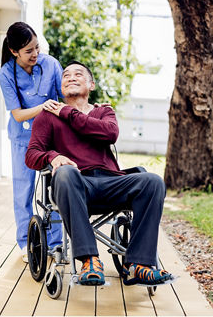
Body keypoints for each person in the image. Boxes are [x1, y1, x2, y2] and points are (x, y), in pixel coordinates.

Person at [25, 61, 173, 286]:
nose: (71, 77)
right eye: (66, 75)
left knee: (153, 181)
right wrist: (52, 157)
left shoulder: (103, 111)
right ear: (61, 86)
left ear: (91, 85)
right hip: (76, 185)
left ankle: (139, 264)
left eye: (78, 74)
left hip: (111, 183)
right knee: (64, 173)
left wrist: (68, 113)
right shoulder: (47, 116)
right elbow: (31, 154)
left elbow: (110, 133)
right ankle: (89, 260)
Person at [0, 22, 62, 262]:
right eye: (28, 51)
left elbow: (64, 98)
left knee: (54, 190)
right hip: (22, 138)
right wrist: (43, 107)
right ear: (14, 52)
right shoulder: (6, 73)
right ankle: (27, 244)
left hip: (51, 137)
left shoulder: (51, 64)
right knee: (23, 191)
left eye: (37, 47)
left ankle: (56, 244)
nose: (35, 54)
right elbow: (17, 114)